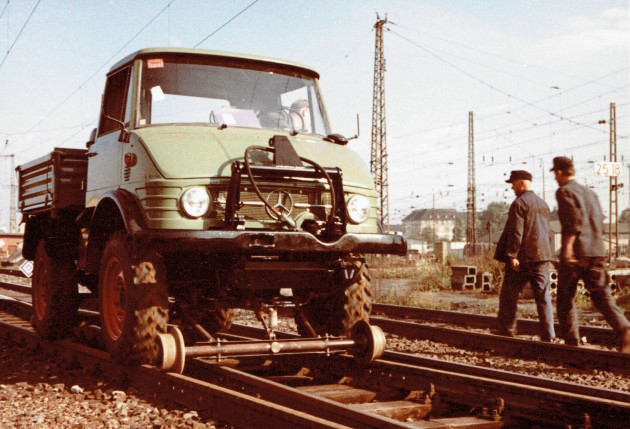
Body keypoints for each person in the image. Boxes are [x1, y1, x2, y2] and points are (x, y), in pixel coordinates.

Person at [551, 156, 630, 352]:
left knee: (565, 298)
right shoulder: (590, 193)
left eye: (555, 174)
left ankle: (572, 344)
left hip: (576, 254)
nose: (555, 178)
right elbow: (598, 221)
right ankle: (624, 329)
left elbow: (573, 221)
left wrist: (567, 248)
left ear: (560, 172)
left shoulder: (564, 191)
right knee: (602, 296)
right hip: (596, 250)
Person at [494, 170, 556, 342]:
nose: (512, 188)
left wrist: (512, 255)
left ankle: (507, 329)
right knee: (543, 296)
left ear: (522, 183)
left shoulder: (519, 203)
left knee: (509, 294)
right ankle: (548, 334)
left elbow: (516, 232)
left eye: (513, 184)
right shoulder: (543, 204)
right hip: (542, 256)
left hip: (523, 259)